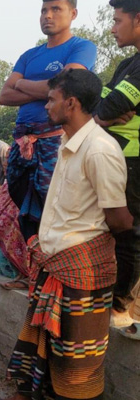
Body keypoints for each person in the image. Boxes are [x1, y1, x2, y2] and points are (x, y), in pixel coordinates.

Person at [6, 68, 132, 400]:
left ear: (71, 103)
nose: (45, 106)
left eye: (51, 99)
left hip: (81, 273)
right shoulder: (66, 142)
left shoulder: (99, 150)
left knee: (76, 371)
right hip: (57, 269)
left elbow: (119, 220)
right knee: (51, 359)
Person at [0, 0, 96, 240]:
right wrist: (48, 85)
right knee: (22, 199)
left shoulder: (82, 47)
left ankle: (55, 270)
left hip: (57, 138)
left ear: (73, 14)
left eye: (55, 9)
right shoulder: (30, 55)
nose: (47, 16)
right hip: (23, 139)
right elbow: (4, 96)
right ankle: (32, 272)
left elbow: (67, 86)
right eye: (43, 10)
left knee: (57, 202)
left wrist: (21, 83)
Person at [94, 0, 140, 339]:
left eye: (118, 20)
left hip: (135, 162)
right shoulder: (128, 63)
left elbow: (112, 105)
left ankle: (121, 307)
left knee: (130, 233)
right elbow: (103, 102)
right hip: (117, 158)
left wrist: (104, 115)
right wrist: (106, 112)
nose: (112, 28)